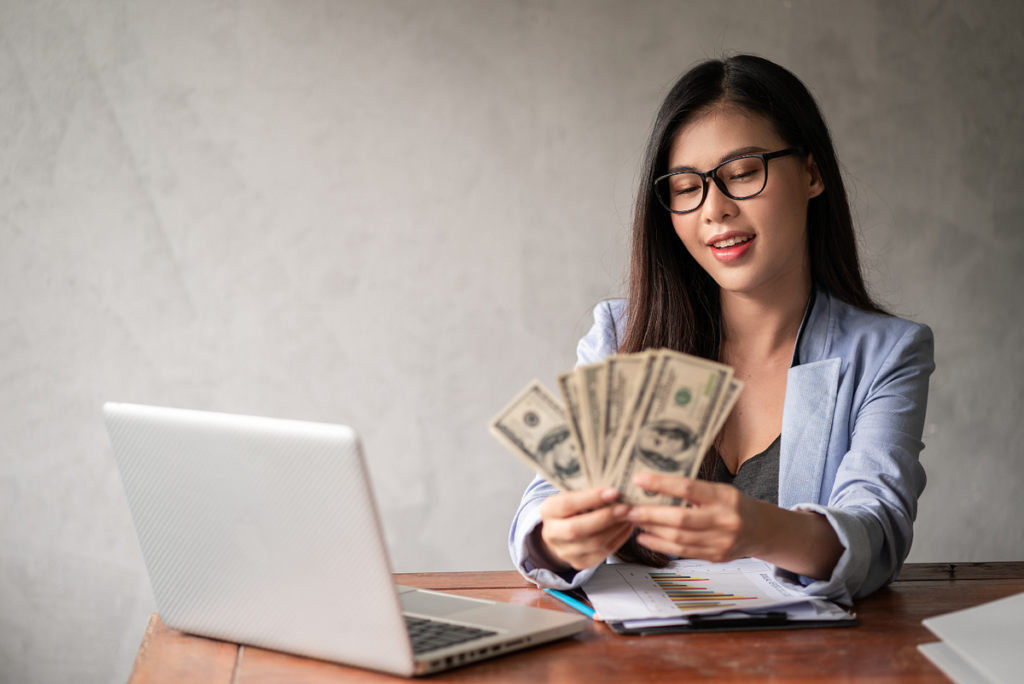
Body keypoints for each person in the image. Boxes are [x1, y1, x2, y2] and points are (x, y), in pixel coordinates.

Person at [508, 54, 934, 605]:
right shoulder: (621, 334)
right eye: (687, 187)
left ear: (810, 172)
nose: (714, 209)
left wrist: (764, 530)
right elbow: (542, 512)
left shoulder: (886, 353)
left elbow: (878, 533)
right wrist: (558, 538)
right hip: (639, 658)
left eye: (742, 173)